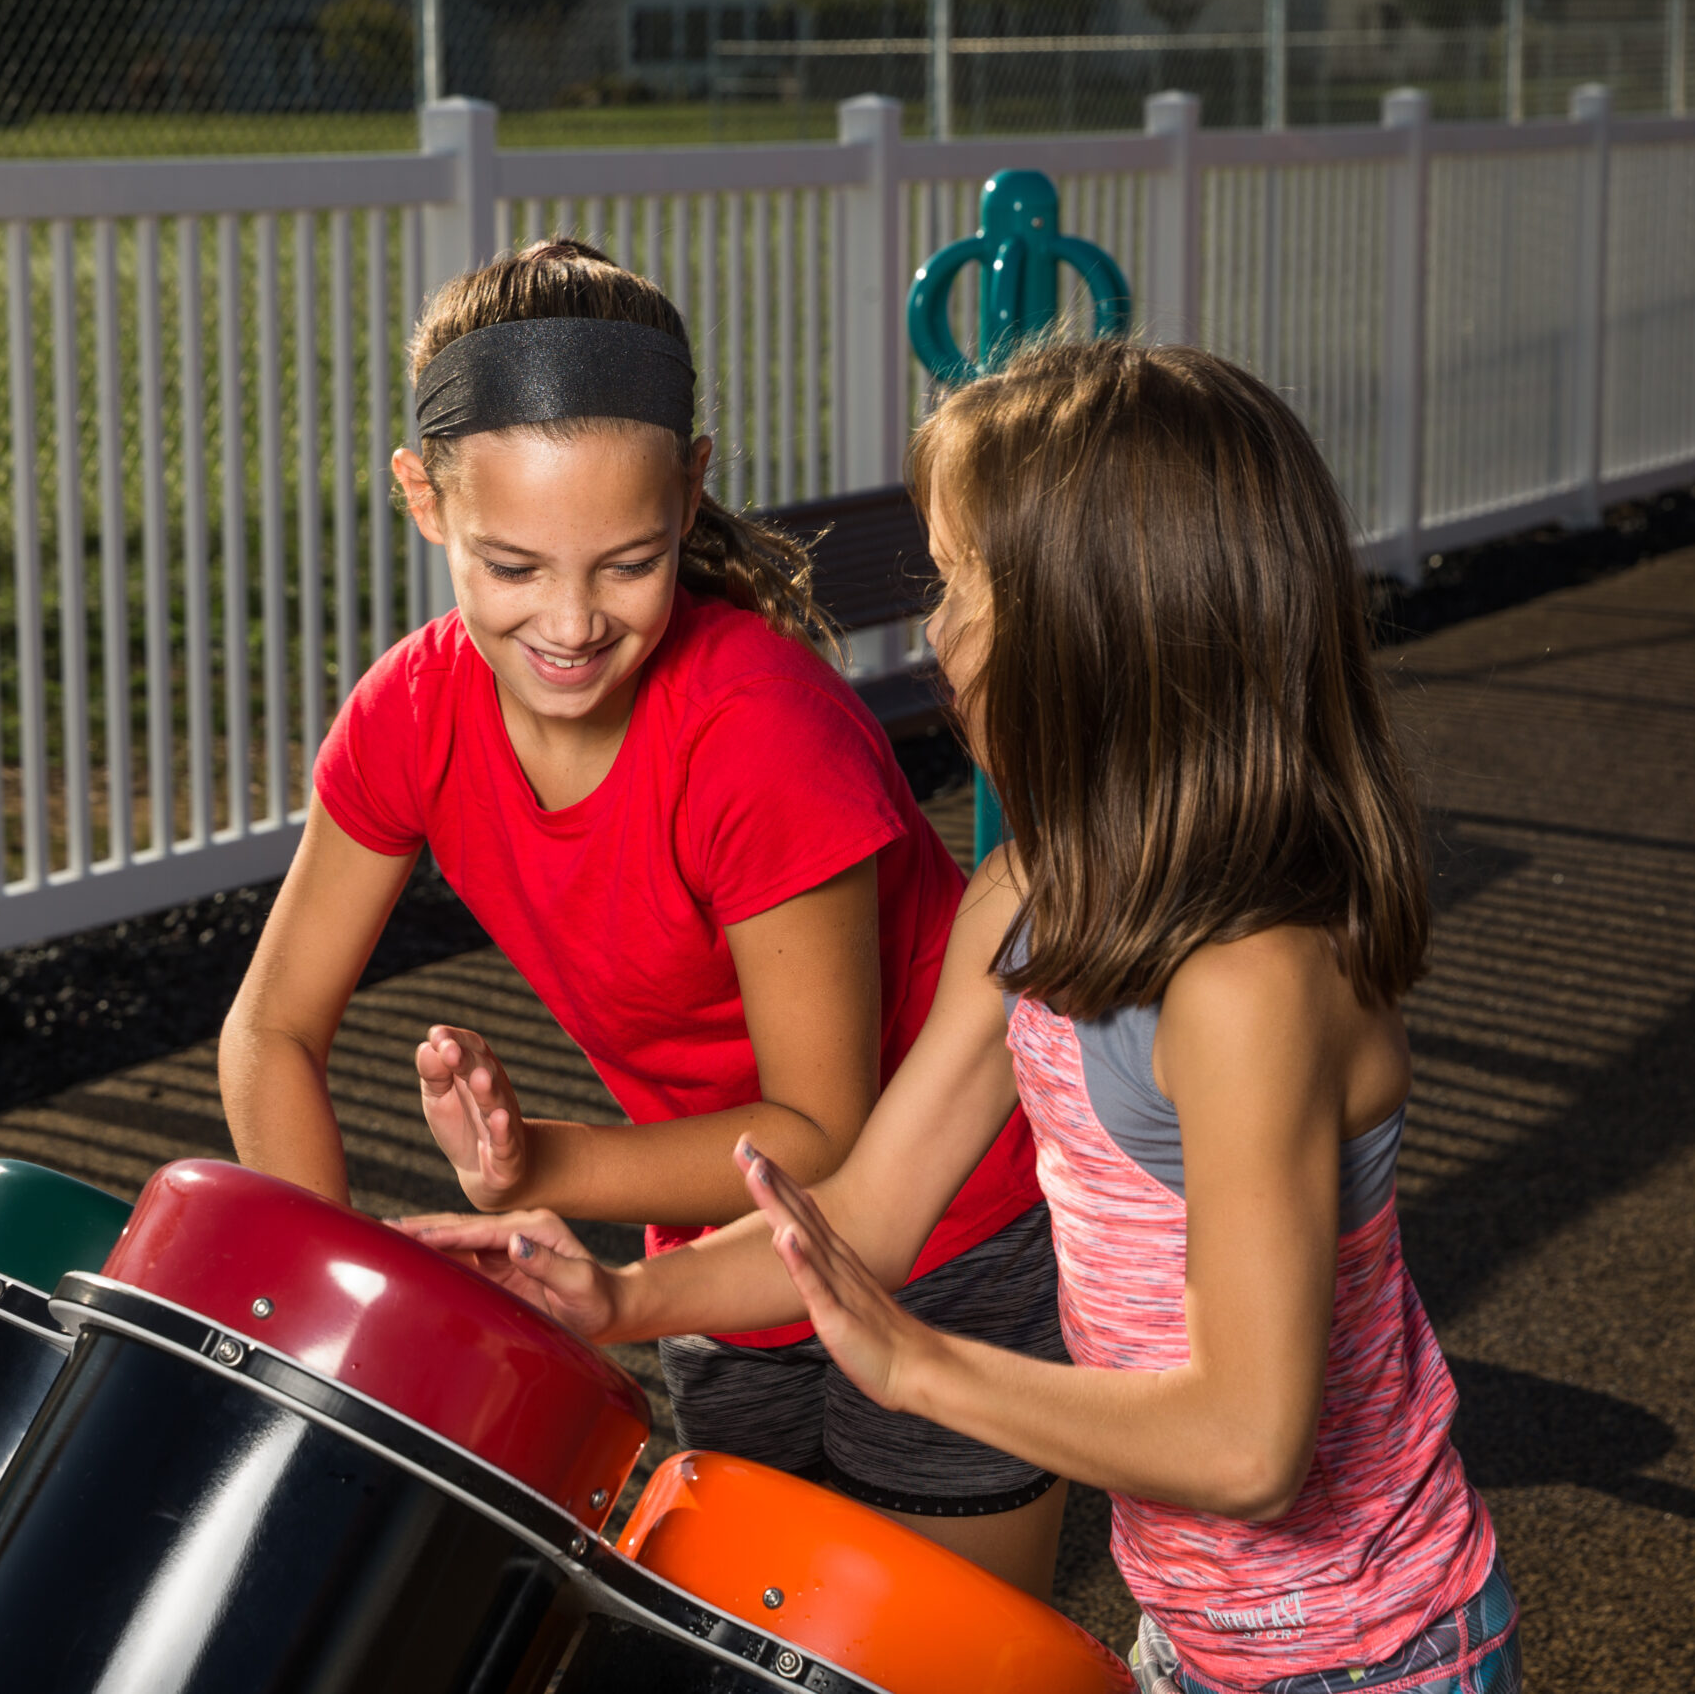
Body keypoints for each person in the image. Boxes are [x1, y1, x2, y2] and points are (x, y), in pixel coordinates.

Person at [403, 342, 1520, 1693]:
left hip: (1372, 1658)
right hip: (1195, 1638)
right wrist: (622, 1297)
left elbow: (1248, 1441)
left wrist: (917, 1363)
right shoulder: (1033, 890)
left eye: (962, 583)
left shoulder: (1250, 980)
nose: (935, 630)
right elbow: (870, 1212)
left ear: (1088, 626)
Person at [215, 240, 1070, 1592]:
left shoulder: (758, 732)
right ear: (423, 501)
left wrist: (533, 1166)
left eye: (627, 564)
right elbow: (269, 1030)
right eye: (512, 566)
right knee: (745, 1641)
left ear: (692, 494)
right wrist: (334, 1330)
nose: (568, 621)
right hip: (720, 1257)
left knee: (943, 1649)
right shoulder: (409, 712)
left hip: (942, 1225)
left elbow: (825, 1134)